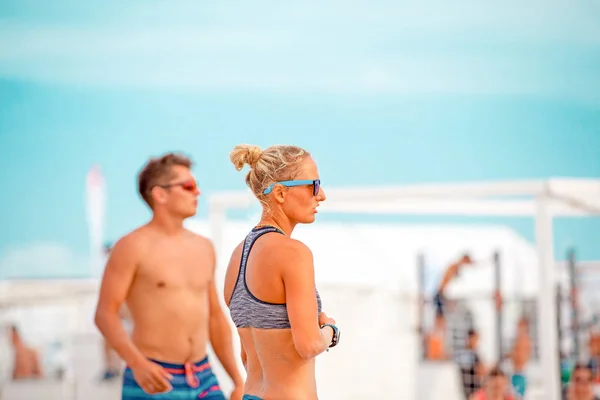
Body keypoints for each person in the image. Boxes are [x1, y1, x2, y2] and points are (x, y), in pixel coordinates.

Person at [94, 152, 244, 399]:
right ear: (160, 194)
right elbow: (105, 314)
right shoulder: (132, 246)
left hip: (204, 376)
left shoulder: (204, 247)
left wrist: (237, 380)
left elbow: (215, 317)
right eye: (188, 186)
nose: (197, 192)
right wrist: (138, 364)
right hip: (153, 379)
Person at [223, 144, 341, 400]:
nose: (321, 196)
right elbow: (308, 344)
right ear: (279, 193)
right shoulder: (293, 253)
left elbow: (248, 355)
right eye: (314, 185)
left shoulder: (237, 256)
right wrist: (331, 330)